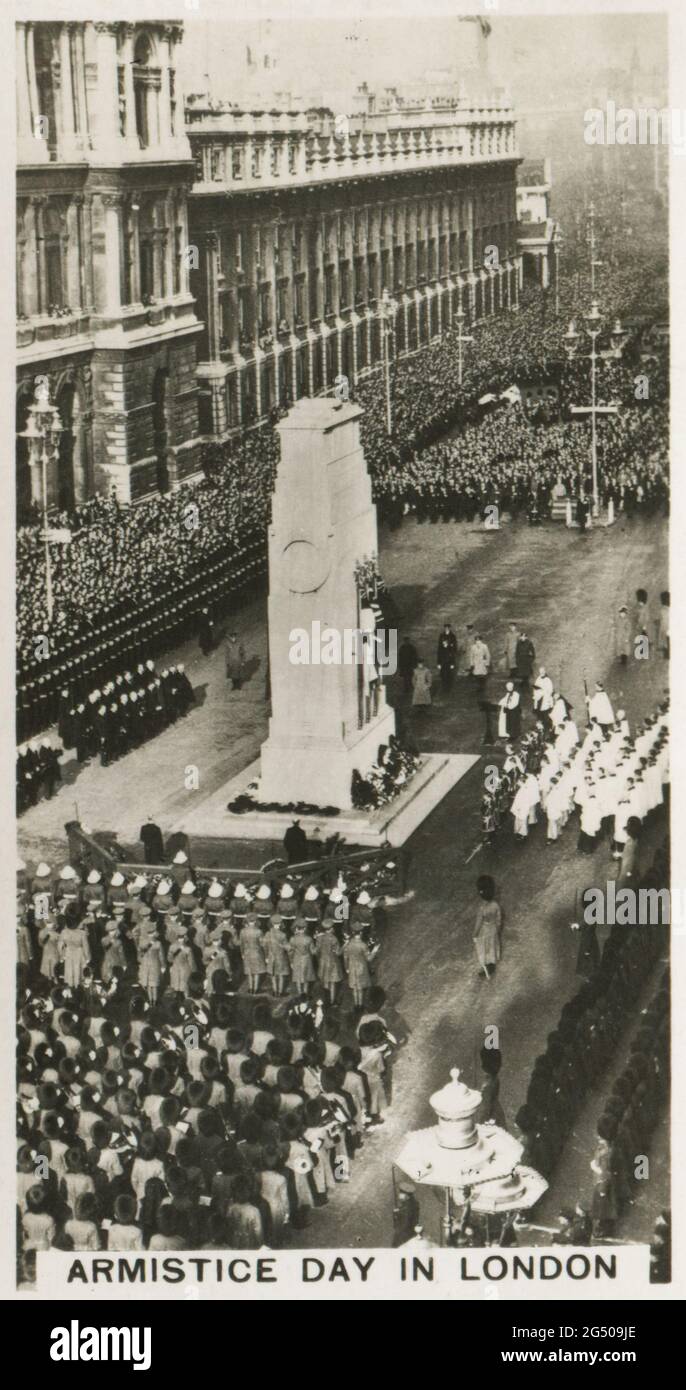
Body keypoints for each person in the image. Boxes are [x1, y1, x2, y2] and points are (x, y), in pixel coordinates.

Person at [473, 875, 502, 981]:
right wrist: (497, 928)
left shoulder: (482, 909)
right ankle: (492, 964)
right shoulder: (495, 905)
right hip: (493, 929)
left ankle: (487, 967)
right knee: (492, 946)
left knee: (484, 949)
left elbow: (478, 923)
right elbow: (499, 918)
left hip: (484, 932)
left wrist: (475, 935)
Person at [436, 622, 457, 694]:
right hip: (442, 660)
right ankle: (443, 687)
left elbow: (454, 650)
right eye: (445, 628)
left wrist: (453, 663)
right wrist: (438, 663)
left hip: (449, 659)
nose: (447, 629)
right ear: (444, 628)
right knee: (442, 674)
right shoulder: (441, 636)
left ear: (449, 628)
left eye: (448, 628)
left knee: (449, 675)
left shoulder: (453, 636)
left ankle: (448, 688)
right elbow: (439, 649)